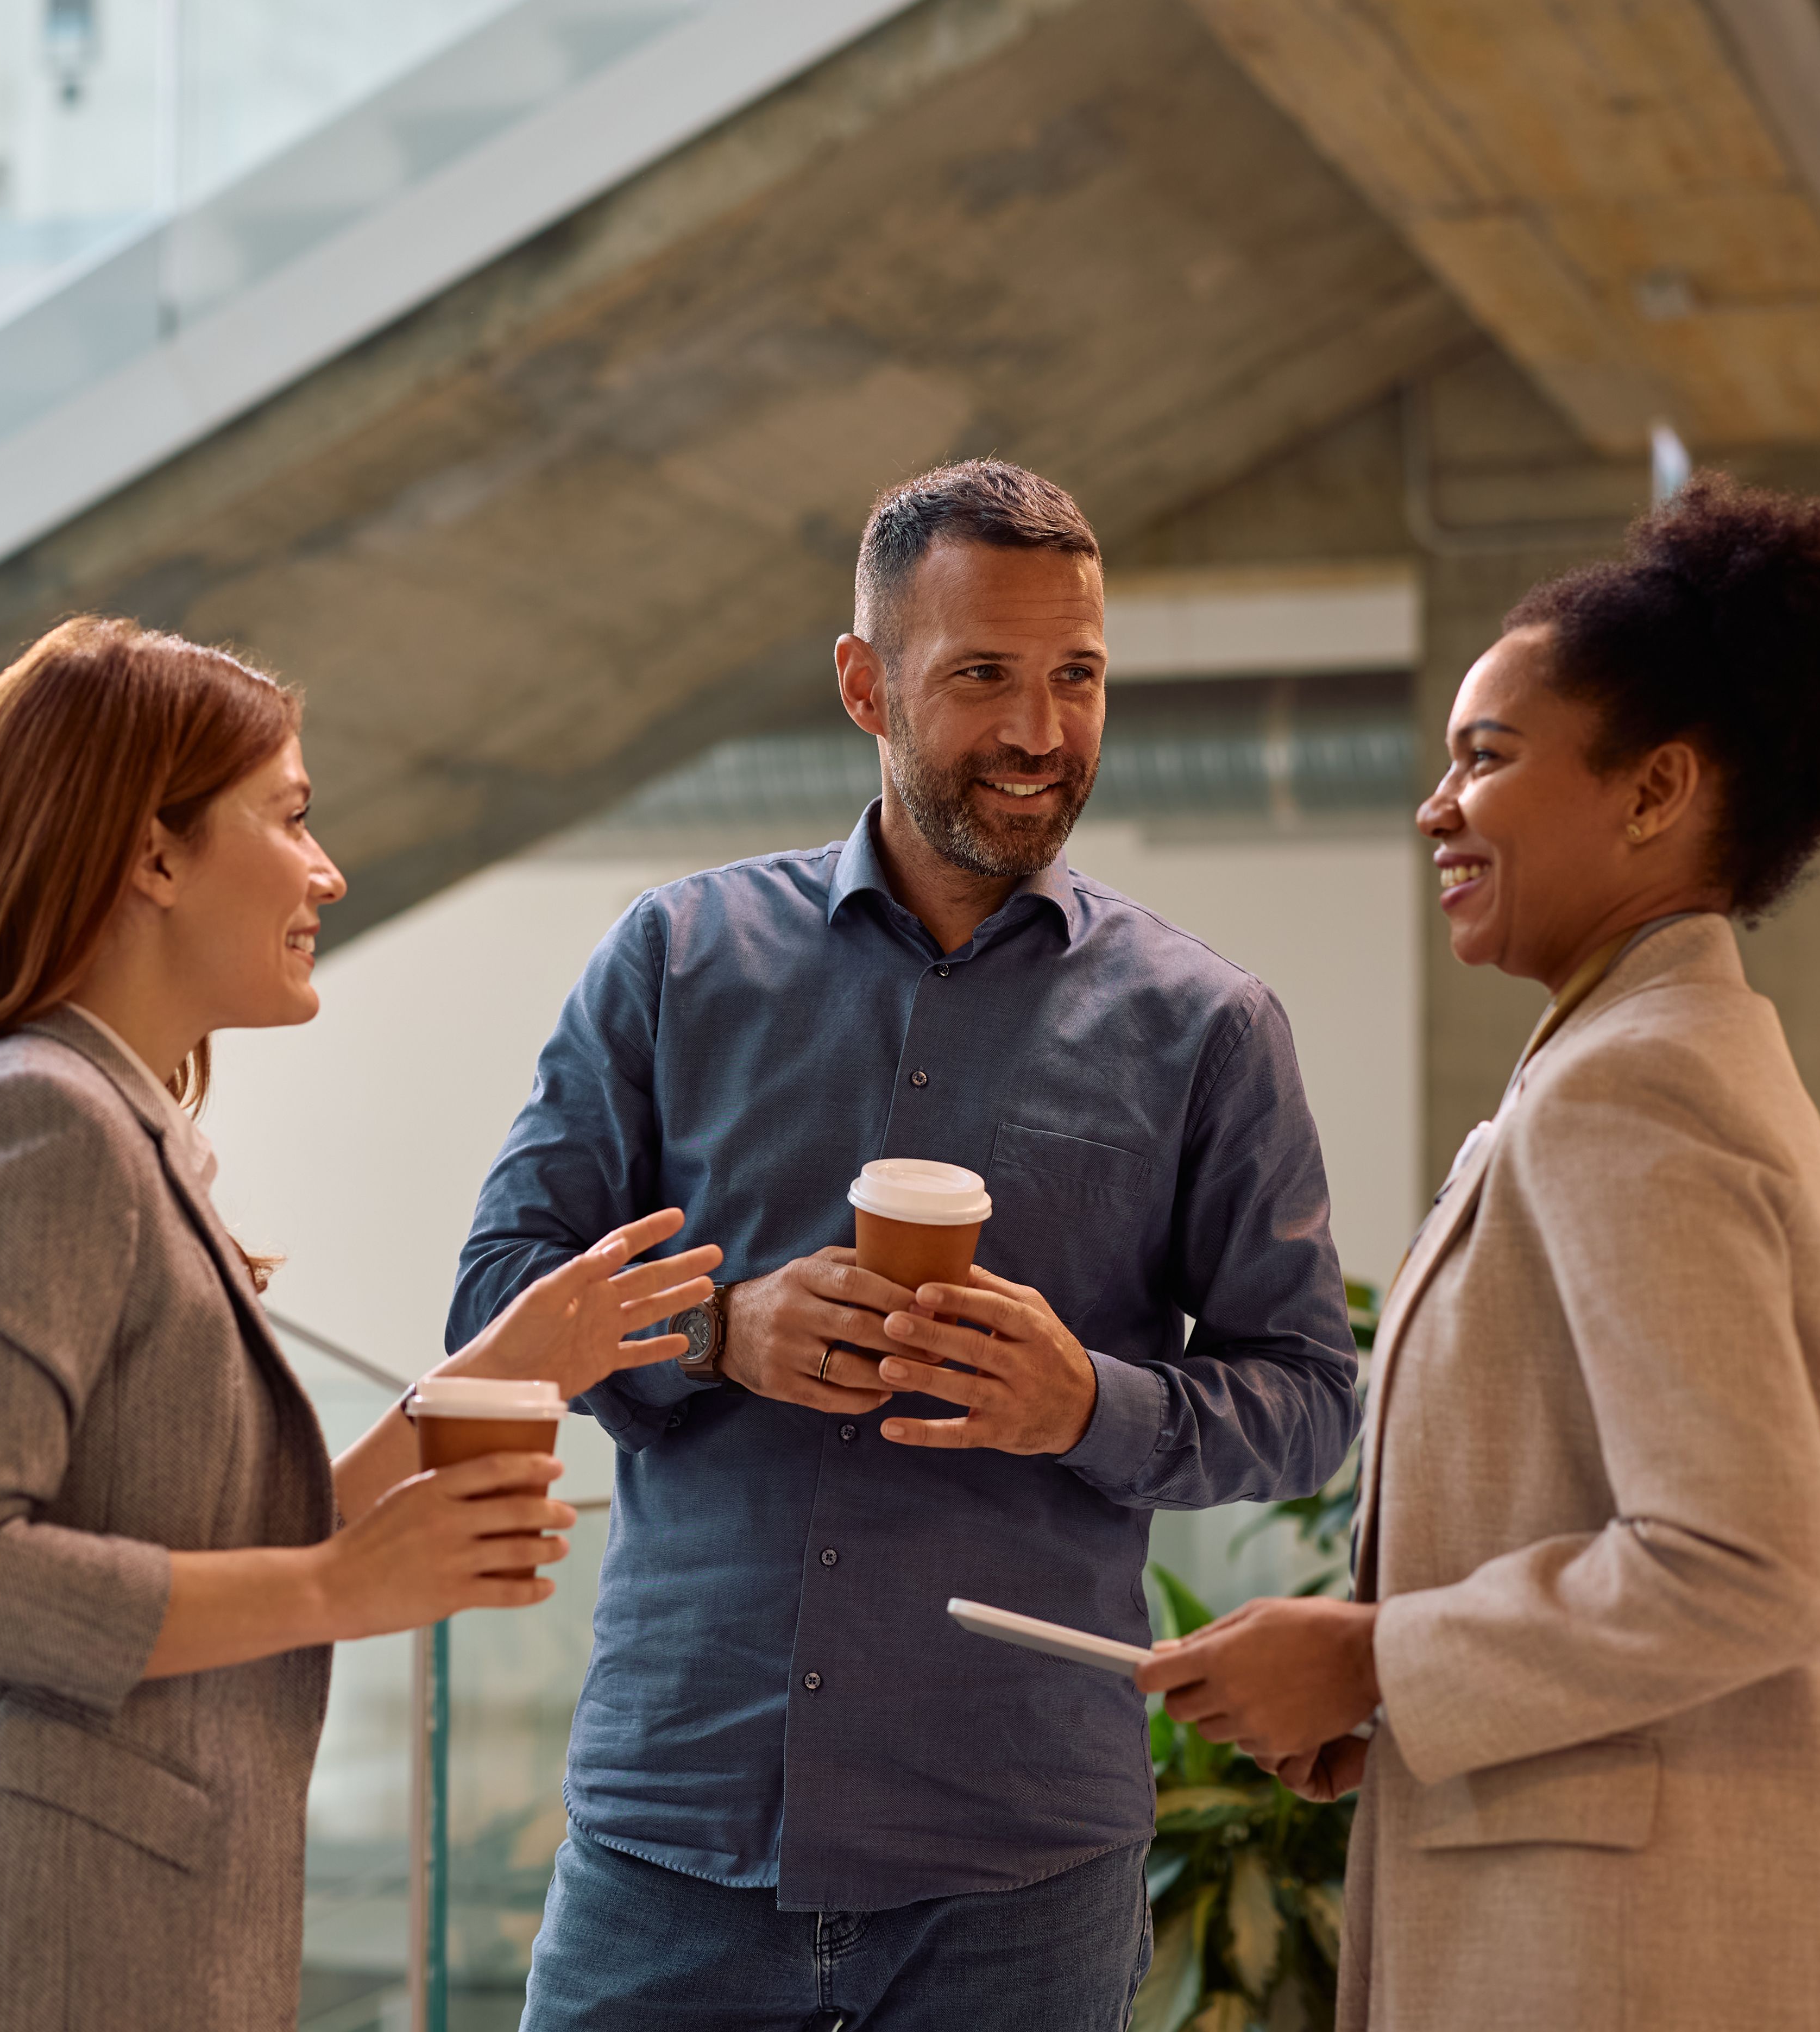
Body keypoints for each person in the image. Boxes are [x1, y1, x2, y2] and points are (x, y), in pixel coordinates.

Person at [447, 460, 1361, 2030]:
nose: (1040, 731)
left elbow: (1310, 1393)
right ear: (867, 684)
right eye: (983, 676)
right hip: (674, 1840)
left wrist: (1090, 1403)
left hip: (1018, 1872)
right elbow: (496, 1303)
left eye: (1077, 677)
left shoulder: (1206, 1027)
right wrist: (718, 1334)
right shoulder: (673, 962)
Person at [0, 618, 720, 2032]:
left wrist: (513, 1371)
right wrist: (343, 1590)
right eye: (294, 818)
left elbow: (209, 1535)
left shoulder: (115, 1128)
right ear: (154, 854)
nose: (328, 872)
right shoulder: (38, 1124)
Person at [1135, 474, 1820, 2030]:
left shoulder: (1631, 1081)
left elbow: (1747, 1567)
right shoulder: (1662, 1044)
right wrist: (1377, 1687)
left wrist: (1376, 1661)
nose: (1435, 805)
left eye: (1486, 759)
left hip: (1631, 1952)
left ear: (1653, 794)